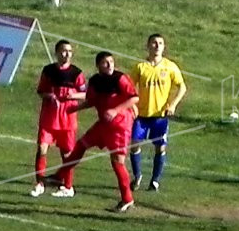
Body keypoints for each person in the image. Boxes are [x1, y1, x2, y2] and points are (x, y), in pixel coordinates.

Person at [56, 51, 139, 212]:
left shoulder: (120, 78)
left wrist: (115, 110)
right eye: (105, 62)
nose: (109, 65)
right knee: (81, 145)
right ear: (98, 65)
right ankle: (60, 176)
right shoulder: (95, 81)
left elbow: (134, 98)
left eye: (111, 62)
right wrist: (75, 108)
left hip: (120, 125)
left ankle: (127, 199)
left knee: (117, 162)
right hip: (104, 124)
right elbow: (92, 101)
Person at [128, 34, 186, 192]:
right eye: (154, 43)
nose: (157, 46)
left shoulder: (169, 66)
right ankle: (137, 175)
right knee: (134, 144)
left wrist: (173, 104)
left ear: (164, 46)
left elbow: (182, 87)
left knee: (160, 147)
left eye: (160, 43)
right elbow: (129, 88)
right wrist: (132, 105)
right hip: (141, 115)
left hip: (160, 116)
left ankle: (155, 181)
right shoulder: (140, 67)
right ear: (148, 46)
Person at [30, 39, 87, 197]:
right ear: (56, 53)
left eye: (69, 51)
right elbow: (41, 91)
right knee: (42, 149)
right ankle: (40, 183)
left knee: (67, 154)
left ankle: (68, 187)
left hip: (67, 120)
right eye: (63, 51)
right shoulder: (48, 70)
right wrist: (50, 96)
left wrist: (73, 95)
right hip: (49, 118)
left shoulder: (76, 73)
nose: (66, 54)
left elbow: (86, 94)